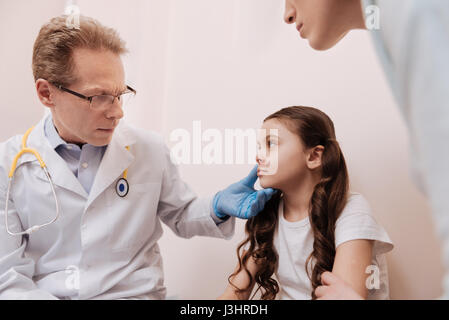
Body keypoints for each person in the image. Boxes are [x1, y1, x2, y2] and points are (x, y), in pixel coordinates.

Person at [0, 15, 275, 300]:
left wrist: (217, 206)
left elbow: (181, 215)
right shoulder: (7, 165)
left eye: (120, 94)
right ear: (47, 93)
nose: (117, 112)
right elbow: (8, 278)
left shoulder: (148, 149)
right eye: (99, 97)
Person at [283, 0, 449, 299]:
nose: (287, 14)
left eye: (271, 143)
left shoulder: (413, 10)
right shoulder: (393, 21)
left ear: (314, 154)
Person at [218, 106, 393, 300]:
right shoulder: (267, 214)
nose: (258, 156)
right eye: (260, 147)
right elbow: (232, 297)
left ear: (314, 156)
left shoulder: (352, 211)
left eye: (271, 144)